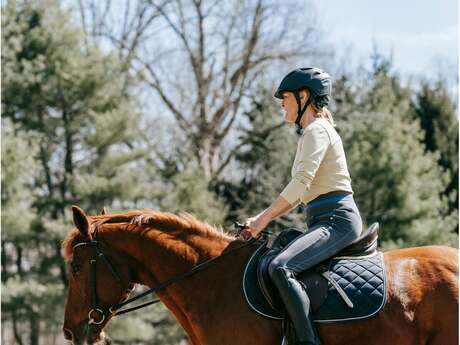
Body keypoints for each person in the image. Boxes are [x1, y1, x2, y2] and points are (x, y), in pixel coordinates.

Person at [243, 67, 363, 345]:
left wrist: (262, 219)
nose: (281, 104)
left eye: (284, 97)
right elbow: (298, 195)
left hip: (337, 220)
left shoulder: (317, 131)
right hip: (324, 219)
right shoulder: (313, 132)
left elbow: (299, 185)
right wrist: (264, 219)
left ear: (304, 97)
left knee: (281, 267)